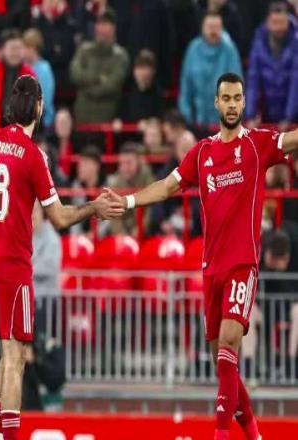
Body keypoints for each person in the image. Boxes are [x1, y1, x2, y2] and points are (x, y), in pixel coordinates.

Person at [105, 71, 298, 440]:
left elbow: (292, 139)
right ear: (216, 103)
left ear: (244, 102)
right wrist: (128, 202)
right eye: (226, 98)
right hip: (211, 269)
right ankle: (255, 435)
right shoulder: (202, 152)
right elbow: (167, 187)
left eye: (237, 98)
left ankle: (220, 434)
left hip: (242, 264)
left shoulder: (257, 145)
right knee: (224, 367)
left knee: (228, 344)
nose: (232, 105)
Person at [0, 74, 123, 440]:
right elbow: (60, 218)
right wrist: (94, 208)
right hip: (14, 265)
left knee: (4, 351)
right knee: (16, 355)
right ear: (39, 107)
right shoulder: (34, 156)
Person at [179, 12, 242, 125]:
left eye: (216, 27)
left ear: (222, 29)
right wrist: (186, 120)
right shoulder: (193, 49)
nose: (213, 31)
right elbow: (185, 88)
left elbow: (237, 87)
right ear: (202, 28)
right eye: (210, 27)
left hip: (224, 121)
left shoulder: (230, 50)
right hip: (197, 119)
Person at [70, 10, 129, 124]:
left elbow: (112, 85)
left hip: (107, 116)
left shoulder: (120, 56)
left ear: (113, 28)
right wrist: (98, 78)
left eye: (105, 23)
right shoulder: (84, 50)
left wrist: (86, 87)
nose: (100, 27)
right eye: (99, 23)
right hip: (82, 116)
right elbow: (75, 74)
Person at [245, 1, 298, 126]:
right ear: (268, 21)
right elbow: (253, 80)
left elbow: (295, 82)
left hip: (293, 115)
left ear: (288, 21)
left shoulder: (296, 42)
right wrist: (250, 115)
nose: (278, 28)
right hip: (267, 111)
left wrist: (289, 117)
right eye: (275, 23)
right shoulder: (259, 41)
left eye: (281, 23)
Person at [23, 28, 55, 129]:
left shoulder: (44, 69)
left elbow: (46, 101)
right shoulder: (21, 67)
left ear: (34, 48)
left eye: (26, 47)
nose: (23, 51)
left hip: (42, 119)